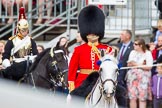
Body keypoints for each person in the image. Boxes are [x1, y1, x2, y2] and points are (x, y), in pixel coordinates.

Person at [68, 5, 113, 92]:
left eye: (94, 33)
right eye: (89, 33)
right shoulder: (79, 50)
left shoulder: (107, 49)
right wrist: (72, 86)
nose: (92, 35)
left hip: (101, 82)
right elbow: (72, 69)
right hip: (82, 83)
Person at [2, 7, 38, 80]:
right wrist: (9, 67)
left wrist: (29, 58)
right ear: (18, 29)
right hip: (15, 66)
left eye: (26, 30)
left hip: (28, 65)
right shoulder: (11, 40)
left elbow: (35, 54)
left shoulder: (31, 40)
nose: (25, 32)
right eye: (23, 30)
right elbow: (6, 56)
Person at [126, 38, 153, 108]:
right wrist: (142, 65)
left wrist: (136, 64)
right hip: (132, 78)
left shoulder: (147, 53)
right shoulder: (132, 52)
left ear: (141, 45)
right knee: (132, 97)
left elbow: (149, 66)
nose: (133, 45)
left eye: (135, 44)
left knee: (142, 98)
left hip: (143, 78)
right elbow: (129, 64)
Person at [116, 29, 134, 108]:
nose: (120, 36)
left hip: (126, 75)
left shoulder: (133, 47)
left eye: (122, 34)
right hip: (117, 73)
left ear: (128, 36)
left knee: (124, 95)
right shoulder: (118, 46)